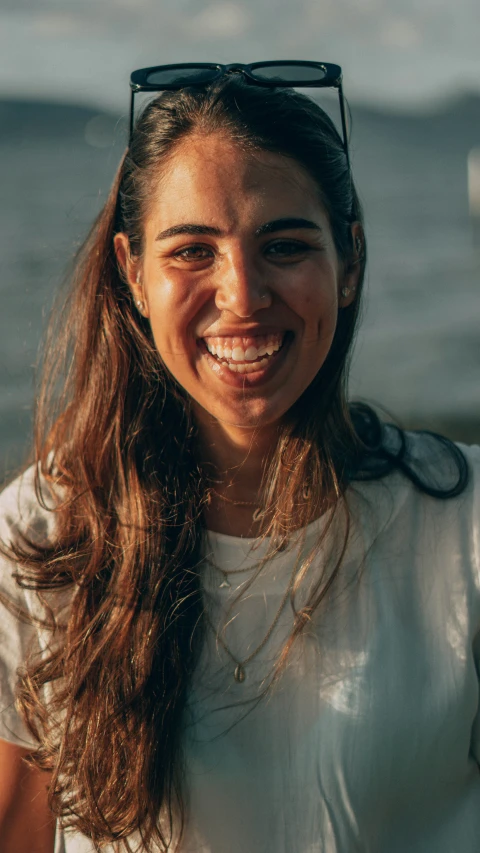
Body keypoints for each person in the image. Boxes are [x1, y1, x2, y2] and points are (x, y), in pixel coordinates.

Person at [0, 65, 479, 853]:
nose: (243, 293)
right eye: (192, 250)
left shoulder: (462, 533)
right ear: (133, 274)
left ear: (349, 262)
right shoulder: (46, 539)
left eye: (284, 244)